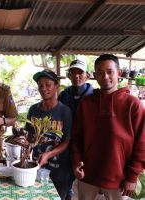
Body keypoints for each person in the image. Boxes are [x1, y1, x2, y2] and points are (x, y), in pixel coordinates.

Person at [71, 54, 145, 199]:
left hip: (118, 177)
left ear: (119, 73)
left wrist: (132, 176)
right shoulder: (86, 104)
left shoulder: (133, 104)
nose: (105, 76)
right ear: (94, 75)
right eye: (100, 72)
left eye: (110, 71)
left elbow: (142, 143)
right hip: (87, 174)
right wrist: (75, 161)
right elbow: (76, 138)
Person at [25, 69, 72, 199]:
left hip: (59, 170)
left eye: (48, 84)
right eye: (40, 85)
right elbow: (29, 135)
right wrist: (25, 145)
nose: (43, 88)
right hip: (36, 167)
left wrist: (49, 154)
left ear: (56, 86)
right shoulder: (33, 109)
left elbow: (67, 141)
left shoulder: (65, 112)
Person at [58, 59, 94, 199]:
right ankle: (68, 193)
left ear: (88, 75)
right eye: (73, 72)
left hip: (86, 144)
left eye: (80, 72)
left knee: (85, 180)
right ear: (69, 76)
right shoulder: (64, 94)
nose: (76, 76)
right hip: (67, 142)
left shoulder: (94, 96)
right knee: (67, 174)